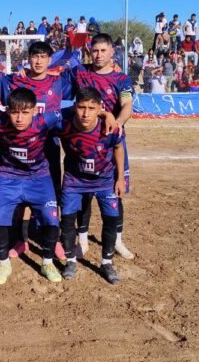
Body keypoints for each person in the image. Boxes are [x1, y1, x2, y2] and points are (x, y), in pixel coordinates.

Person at [0, 88, 64, 284]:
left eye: (25, 112)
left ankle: (47, 262)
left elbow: (75, 112)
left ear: (35, 110)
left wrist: (105, 114)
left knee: (51, 219)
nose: (19, 118)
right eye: (14, 112)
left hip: (39, 178)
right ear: (7, 111)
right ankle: (4, 264)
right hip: (7, 177)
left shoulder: (45, 120)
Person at [62, 33, 134, 260]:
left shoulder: (121, 78)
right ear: (89, 52)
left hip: (109, 142)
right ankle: (81, 240)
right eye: (95, 50)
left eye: (103, 50)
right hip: (83, 143)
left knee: (115, 190)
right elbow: (52, 83)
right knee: (83, 193)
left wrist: (118, 123)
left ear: (112, 52)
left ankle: (117, 240)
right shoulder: (78, 72)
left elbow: (127, 104)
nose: (99, 55)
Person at [0, 41, 71, 259]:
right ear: (28, 58)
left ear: (50, 60)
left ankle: (54, 238)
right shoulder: (15, 80)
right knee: (22, 196)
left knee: (53, 193)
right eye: (34, 56)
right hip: (21, 148)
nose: (38, 61)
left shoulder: (58, 82)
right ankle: (22, 241)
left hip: (48, 146)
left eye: (43, 57)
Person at [56, 87, 125, 283]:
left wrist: (120, 178)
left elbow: (119, 148)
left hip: (105, 182)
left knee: (111, 220)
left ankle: (107, 263)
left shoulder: (110, 127)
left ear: (99, 108)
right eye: (81, 107)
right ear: (74, 107)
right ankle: (70, 261)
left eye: (91, 108)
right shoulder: (63, 125)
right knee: (67, 221)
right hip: (74, 181)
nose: (86, 113)